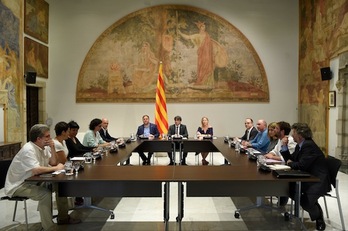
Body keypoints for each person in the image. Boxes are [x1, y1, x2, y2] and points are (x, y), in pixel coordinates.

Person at [4, 124, 81, 230]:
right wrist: (56, 168)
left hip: (35, 180)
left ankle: (63, 218)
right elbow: (37, 169)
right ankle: (49, 227)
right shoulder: (28, 150)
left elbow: (53, 162)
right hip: (18, 185)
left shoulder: (43, 147)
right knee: (45, 194)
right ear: (38, 139)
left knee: (61, 186)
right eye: (47, 136)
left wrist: (53, 148)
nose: (50, 139)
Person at [281, 123, 330, 231]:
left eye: (293, 133)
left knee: (306, 201)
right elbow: (292, 159)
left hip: (317, 179)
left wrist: (290, 163)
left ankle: (318, 216)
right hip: (306, 175)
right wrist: (284, 147)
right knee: (290, 190)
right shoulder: (300, 145)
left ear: (300, 135)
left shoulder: (308, 145)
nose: (291, 136)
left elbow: (300, 165)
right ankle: (313, 206)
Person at [264, 121, 297, 206]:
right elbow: (274, 151)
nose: (275, 130)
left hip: (288, 169)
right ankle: (279, 195)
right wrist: (270, 154)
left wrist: (272, 157)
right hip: (279, 166)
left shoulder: (290, 141)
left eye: (276, 129)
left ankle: (282, 195)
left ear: (282, 131)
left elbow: (287, 158)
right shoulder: (280, 140)